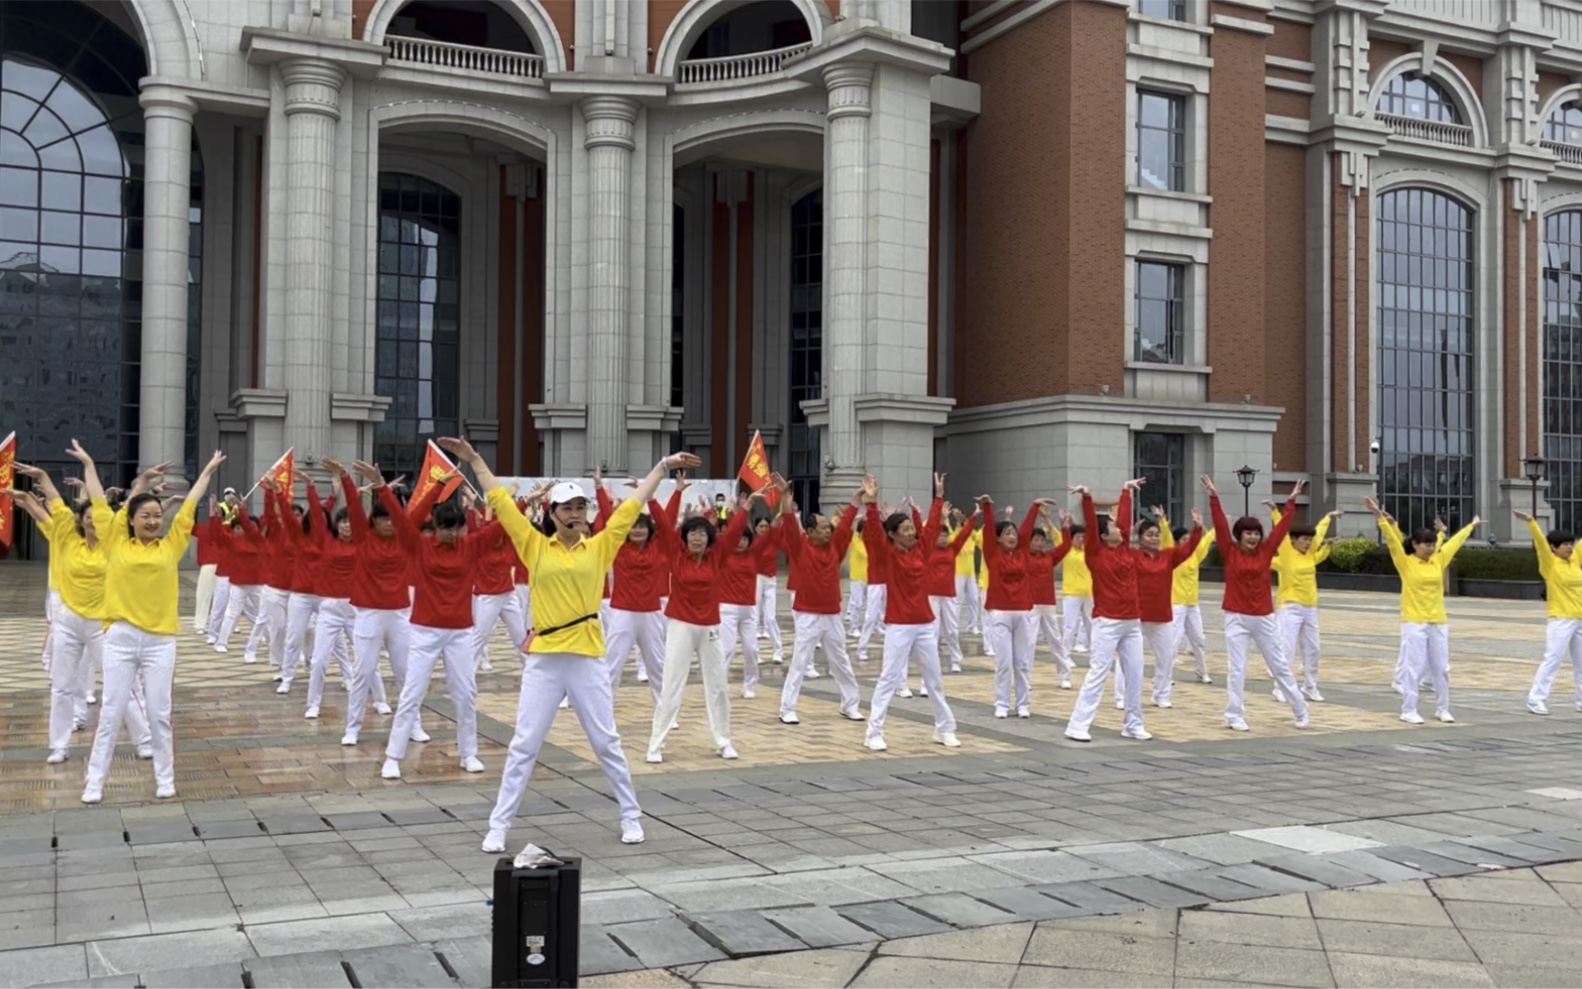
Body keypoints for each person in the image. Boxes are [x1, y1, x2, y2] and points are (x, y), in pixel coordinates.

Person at [445, 437, 698, 852]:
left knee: (606, 742)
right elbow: (499, 500)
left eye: (582, 507)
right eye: (569, 508)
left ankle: (631, 815)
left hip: (586, 658)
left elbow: (635, 504)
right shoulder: (533, 545)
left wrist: (663, 466)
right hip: (544, 661)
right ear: (553, 514)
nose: (578, 513)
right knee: (525, 744)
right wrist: (474, 459)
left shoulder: (599, 546)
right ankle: (498, 826)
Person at [75, 441, 225, 803]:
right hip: (121, 638)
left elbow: (189, 506)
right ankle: (95, 782)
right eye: (146, 516)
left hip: (161, 641)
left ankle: (165, 779)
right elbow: (96, 497)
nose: (154, 520)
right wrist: (89, 463)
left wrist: (206, 472)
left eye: (157, 515)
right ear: (130, 519)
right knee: (111, 712)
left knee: (160, 714)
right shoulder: (114, 540)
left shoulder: (171, 545)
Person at [9, 466, 153, 765]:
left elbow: (129, 508)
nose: (92, 521)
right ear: (81, 520)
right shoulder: (66, 537)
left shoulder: (114, 544)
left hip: (103, 625)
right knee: (62, 686)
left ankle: (144, 740)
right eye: (88, 517)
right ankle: (59, 745)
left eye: (97, 518)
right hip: (68, 624)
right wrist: (40, 480)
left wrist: (144, 483)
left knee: (120, 684)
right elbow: (52, 504)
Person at [361, 464, 495, 779]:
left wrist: (512, 502)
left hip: (460, 633)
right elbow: (400, 517)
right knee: (412, 693)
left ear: (463, 527)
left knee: (466, 694)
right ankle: (393, 757)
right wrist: (383, 485)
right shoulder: (419, 545)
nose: (451, 533)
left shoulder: (471, 546)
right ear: (435, 526)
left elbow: (503, 528)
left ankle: (469, 753)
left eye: (456, 528)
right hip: (425, 631)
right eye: (445, 527)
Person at [647, 493, 751, 762]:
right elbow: (661, 522)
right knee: (671, 685)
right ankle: (656, 744)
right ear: (685, 538)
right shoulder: (676, 553)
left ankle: (723, 741)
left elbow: (733, 534)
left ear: (709, 539)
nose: (696, 538)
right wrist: (652, 497)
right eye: (692, 534)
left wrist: (744, 510)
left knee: (718, 686)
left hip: (710, 626)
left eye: (702, 534)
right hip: (681, 624)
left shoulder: (717, 557)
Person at [861, 473, 961, 752]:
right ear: (892, 534)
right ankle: (873, 732)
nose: (910, 532)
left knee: (934, 679)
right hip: (899, 625)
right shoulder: (886, 553)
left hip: (926, 623)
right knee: (889, 678)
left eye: (910, 528)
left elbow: (929, 530)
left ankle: (945, 729)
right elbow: (872, 531)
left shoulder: (921, 549)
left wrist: (938, 495)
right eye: (904, 529)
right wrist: (871, 501)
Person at [1203, 474, 1310, 732]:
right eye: (1248, 533)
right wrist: (1214, 498)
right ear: (1238, 535)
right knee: (1237, 669)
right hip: (1236, 617)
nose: (1252, 537)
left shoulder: (1266, 550)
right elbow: (1219, 525)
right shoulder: (1230, 551)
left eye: (1255, 533)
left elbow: (1283, 528)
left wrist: (1291, 502)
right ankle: (1234, 715)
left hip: (1263, 617)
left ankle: (1300, 709)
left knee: (1279, 666)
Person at [1364, 498, 1479, 724]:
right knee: (1413, 667)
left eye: (1432, 544)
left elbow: (1453, 543)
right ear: (1415, 545)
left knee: (1442, 668)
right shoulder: (1405, 562)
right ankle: (1409, 709)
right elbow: (1392, 542)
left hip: (1438, 620)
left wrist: (1470, 526)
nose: (1431, 548)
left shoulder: (1438, 561)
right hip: (1414, 621)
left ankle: (1442, 708)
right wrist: (1380, 519)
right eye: (1426, 544)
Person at [1063, 480, 1154, 742]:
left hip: (1132, 622)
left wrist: (1125, 490)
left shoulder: (1124, 547)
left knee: (1135, 675)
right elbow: (1092, 525)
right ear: (1103, 535)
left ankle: (1133, 724)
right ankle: (1077, 725)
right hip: (1107, 621)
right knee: (1098, 673)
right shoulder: (1095, 552)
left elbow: (1124, 519)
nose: (1119, 527)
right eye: (1112, 526)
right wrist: (1087, 497)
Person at [326, 458, 408, 747]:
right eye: (381, 518)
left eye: (391, 518)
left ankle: (413, 724)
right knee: (362, 672)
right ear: (373, 520)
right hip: (369, 614)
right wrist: (345, 478)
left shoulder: (404, 540)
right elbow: (352, 503)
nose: (387, 522)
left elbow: (409, 513)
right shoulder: (363, 537)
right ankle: (353, 728)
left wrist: (383, 485)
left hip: (398, 615)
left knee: (405, 674)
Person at [777, 482, 865, 724]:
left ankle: (850, 704)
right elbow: (787, 522)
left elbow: (846, 524)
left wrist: (856, 499)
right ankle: (787, 708)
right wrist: (784, 497)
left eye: (829, 527)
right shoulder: (799, 546)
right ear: (810, 531)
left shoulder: (836, 546)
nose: (829, 531)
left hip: (832, 614)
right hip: (808, 614)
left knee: (841, 661)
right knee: (800, 661)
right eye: (823, 528)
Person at [976, 493, 1046, 719]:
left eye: (1014, 532)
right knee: (1004, 663)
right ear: (997, 539)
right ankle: (1002, 704)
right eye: (1007, 533)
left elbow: (1026, 530)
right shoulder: (992, 553)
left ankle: (1023, 704)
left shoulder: (1022, 553)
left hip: (1023, 611)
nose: (1013, 536)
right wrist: (988, 505)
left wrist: (1034, 507)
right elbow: (987, 529)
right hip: (1000, 613)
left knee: (1022, 662)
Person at [1268, 503, 1341, 703]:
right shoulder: (1286, 552)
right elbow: (1280, 529)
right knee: (1286, 648)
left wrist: (1328, 518)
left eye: (1309, 540)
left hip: (1310, 608)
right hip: (1289, 607)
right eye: (1304, 539)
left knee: (1313, 648)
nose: (1308, 543)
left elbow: (1319, 536)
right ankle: (1280, 687)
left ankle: (1310, 686)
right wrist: (1275, 512)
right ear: (1293, 540)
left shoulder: (1310, 556)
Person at [1135, 507, 1204, 709]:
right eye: (1149, 535)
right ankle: (1123, 695)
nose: (1154, 538)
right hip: (1136, 616)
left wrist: (1197, 528)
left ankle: (1162, 694)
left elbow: (1187, 549)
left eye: (1157, 535)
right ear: (1139, 538)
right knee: (1131, 660)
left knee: (1165, 658)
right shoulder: (1132, 556)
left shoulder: (1168, 556)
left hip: (1162, 616)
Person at [1516, 511, 1582, 716]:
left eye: (1571, 543)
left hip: (1580, 619)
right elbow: (1540, 545)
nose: (1569, 547)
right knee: (1553, 659)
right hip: (1560, 619)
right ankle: (1536, 700)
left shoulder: (1575, 561)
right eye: (1565, 544)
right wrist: (1531, 523)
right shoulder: (1550, 564)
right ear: (1554, 547)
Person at [928, 505, 979, 677]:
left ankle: (955, 660)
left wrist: (973, 518)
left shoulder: (953, 548)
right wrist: (940, 517)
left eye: (945, 534)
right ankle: (931, 661)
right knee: (933, 631)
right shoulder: (928, 550)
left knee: (951, 630)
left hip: (949, 595)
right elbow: (925, 532)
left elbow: (964, 534)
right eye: (940, 535)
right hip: (932, 596)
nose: (943, 537)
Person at [1163, 519, 1215, 684]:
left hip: (1192, 604)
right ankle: (1166, 675)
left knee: (1198, 640)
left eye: (1188, 539)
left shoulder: (1194, 556)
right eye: (1184, 540)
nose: (1187, 542)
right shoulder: (1172, 556)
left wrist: (1217, 527)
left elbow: (1206, 541)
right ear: (1177, 542)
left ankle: (1202, 671)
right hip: (1177, 603)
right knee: (1173, 641)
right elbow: (1165, 539)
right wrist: (1163, 522)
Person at [1027, 510, 1074, 689]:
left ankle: (1064, 676)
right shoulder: (1023, 555)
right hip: (1030, 605)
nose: (1039, 543)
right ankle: (1026, 677)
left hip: (1048, 605)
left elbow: (1066, 546)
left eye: (1041, 540)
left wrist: (1064, 525)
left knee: (1055, 640)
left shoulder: (1049, 557)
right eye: (1035, 540)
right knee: (1028, 643)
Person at [754, 516, 785, 664]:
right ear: (755, 528)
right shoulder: (753, 542)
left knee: (770, 618)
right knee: (754, 618)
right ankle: (755, 653)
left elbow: (782, 539)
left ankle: (778, 651)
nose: (764, 529)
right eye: (761, 526)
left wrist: (778, 520)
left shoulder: (773, 540)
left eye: (766, 526)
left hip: (770, 580)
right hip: (756, 580)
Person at [1060, 526, 1093, 656]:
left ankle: (1095, 651)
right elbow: (1057, 535)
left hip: (1089, 593)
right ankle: (1065, 655)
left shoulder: (1089, 551)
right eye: (1078, 537)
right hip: (1071, 594)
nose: (1081, 539)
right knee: (1070, 626)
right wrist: (1049, 520)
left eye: (1083, 537)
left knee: (1091, 624)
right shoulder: (1066, 550)